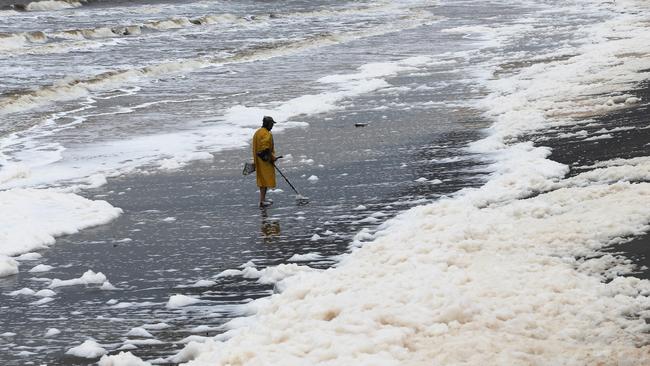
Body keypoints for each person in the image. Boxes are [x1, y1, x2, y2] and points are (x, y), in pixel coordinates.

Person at [252, 116, 281, 207]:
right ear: (268, 124)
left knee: (261, 180)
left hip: (258, 160)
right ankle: (262, 201)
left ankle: (262, 199)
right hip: (265, 161)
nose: (272, 126)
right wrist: (272, 158)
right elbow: (266, 148)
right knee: (265, 181)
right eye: (271, 124)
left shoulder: (257, 132)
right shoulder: (267, 134)